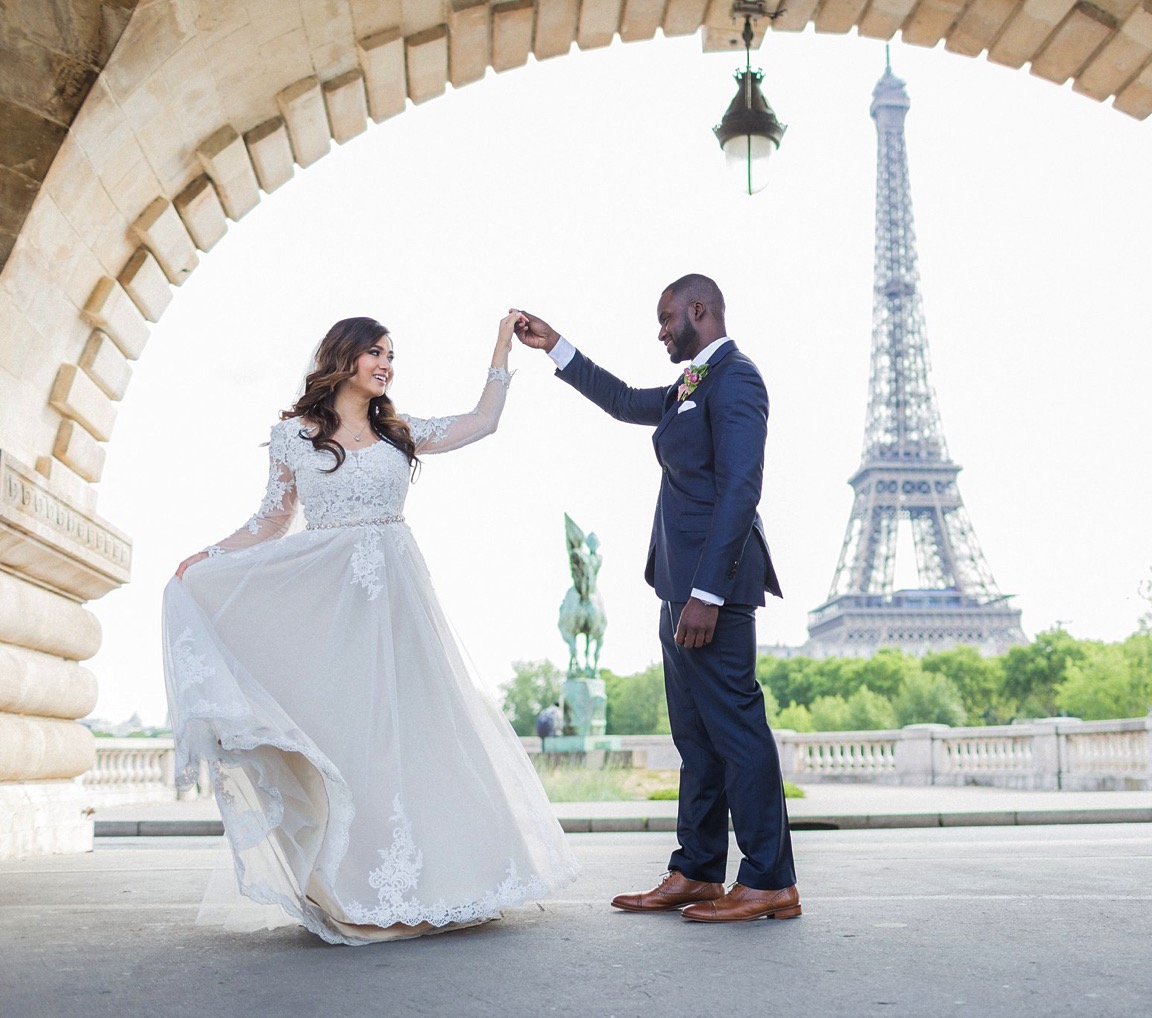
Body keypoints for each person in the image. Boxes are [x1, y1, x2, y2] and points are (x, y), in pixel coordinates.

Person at [163, 315, 579, 945]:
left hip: (399, 603)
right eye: (374, 353)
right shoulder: (292, 437)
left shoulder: (398, 432)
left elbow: (482, 421)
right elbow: (270, 522)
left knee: (417, 732)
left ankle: (438, 880)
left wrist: (500, 344)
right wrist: (211, 559)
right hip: (329, 607)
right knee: (349, 735)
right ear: (343, 359)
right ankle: (352, 885)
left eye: (391, 354)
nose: (386, 363)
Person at [514, 274, 799, 922]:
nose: (661, 329)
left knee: (738, 732)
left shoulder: (737, 379)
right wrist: (556, 347)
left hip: (711, 589)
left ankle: (769, 880)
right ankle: (698, 870)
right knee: (695, 739)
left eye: (667, 316)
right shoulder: (691, 383)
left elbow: (740, 489)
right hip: (679, 585)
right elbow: (620, 400)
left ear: (700, 310)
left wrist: (707, 592)